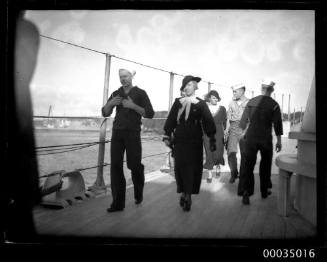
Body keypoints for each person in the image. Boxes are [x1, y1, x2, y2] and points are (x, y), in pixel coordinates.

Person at [102, 68, 154, 212]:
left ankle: (138, 193)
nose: (123, 79)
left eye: (125, 76)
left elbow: (150, 113)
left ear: (131, 77)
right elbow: (105, 112)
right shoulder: (115, 93)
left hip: (133, 133)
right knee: (116, 167)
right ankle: (117, 203)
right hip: (117, 133)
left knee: (134, 165)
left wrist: (133, 106)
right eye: (121, 77)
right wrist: (110, 104)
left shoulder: (140, 93)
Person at [163, 75, 216, 211]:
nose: (187, 88)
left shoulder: (201, 103)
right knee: (180, 167)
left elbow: (208, 121)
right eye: (185, 85)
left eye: (190, 85)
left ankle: (188, 195)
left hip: (195, 139)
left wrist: (212, 139)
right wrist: (167, 135)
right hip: (180, 138)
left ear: (195, 87)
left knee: (192, 167)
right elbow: (171, 120)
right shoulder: (178, 102)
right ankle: (183, 192)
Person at [238, 79, 283, 205]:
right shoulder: (274, 104)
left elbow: (242, 122)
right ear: (272, 90)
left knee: (248, 165)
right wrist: (279, 141)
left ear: (261, 88)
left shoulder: (251, 102)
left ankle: (246, 192)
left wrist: (243, 133)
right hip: (265, 138)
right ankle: (264, 191)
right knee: (265, 164)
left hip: (251, 138)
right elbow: (278, 125)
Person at [225, 83, 249, 183]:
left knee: (245, 154)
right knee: (231, 152)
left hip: (244, 128)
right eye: (233, 91)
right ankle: (234, 173)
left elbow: (251, 119)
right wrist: (227, 129)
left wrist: (247, 131)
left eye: (236, 91)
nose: (234, 93)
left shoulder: (249, 102)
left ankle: (243, 175)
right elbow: (228, 117)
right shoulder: (231, 102)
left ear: (242, 91)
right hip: (233, 128)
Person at [203, 90, 227, 183]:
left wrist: (225, 133)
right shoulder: (205, 108)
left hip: (219, 132)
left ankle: (217, 167)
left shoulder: (222, 108)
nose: (215, 99)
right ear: (209, 98)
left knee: (218, 151)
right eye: (213, 97)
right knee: (209, 152)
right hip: (207, 133)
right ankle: (209, 174)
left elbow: (225, 122)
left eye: (217, 97)